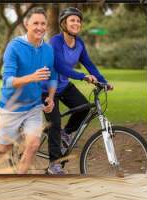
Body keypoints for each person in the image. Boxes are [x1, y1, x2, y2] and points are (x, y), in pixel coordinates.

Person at [0, 7, 57, 174]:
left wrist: (51, 97)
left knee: (33, 145)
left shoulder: (48, 50)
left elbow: (52, 76)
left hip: (34, 107)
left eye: (43, 23)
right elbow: (8, 81)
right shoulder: (14, 47)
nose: (40, 27)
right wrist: (32, 77)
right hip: (12, 106)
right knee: (4, 147)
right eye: (35, 23)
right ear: (26, 24)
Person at [42, 7, 113, 174]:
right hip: (46, 88)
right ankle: (54, 164)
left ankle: (65, 134)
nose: (76, 23)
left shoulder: (79, 43)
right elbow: (59, 65)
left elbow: (89, 64)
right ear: (64, 23)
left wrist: (103, 82)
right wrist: (83, 77)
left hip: (64, 86)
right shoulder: (55, 42)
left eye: (78, 21)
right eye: (72, 20)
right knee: (55, 123)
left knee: (84, 108)